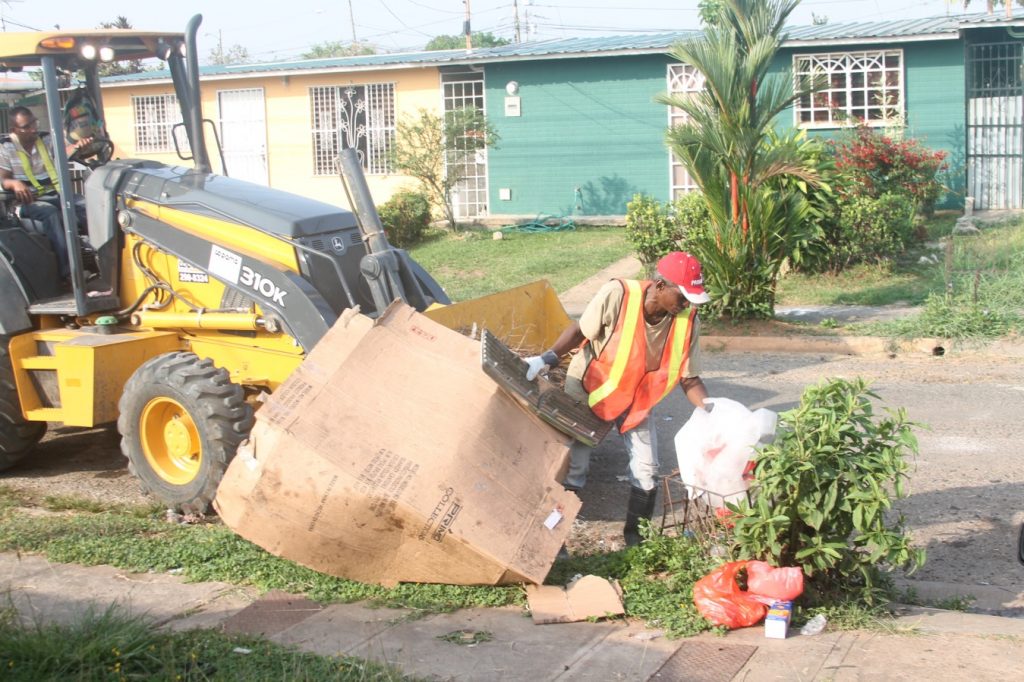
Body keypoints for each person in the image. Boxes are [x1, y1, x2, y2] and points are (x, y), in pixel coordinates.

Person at [525, 251, 712, 547]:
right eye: (684, 296)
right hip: (588, 391)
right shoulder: (618, 294)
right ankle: (553, 542)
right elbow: (580, 331)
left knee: (647, 471)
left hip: (634, 401)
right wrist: (545, 359)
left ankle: (636, 543)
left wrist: (712, 410)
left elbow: (689, 378)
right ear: (660, 285)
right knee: (575, 467)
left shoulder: (687, 320)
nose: (687, 304)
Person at [0, 106, 91, 280]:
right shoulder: (5, 147)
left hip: (55, 195)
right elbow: (3, 179)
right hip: (25, 202)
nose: (33, 129)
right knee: (51, 213)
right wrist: (14, 183)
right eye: (27, 126)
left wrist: (78, 146)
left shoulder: (46, 139)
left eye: (34, 123)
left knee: (88, 205)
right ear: (14, 130)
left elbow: (64, 152)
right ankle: (69, 273)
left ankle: (98, 258)